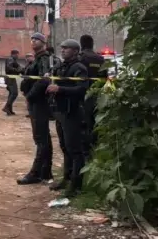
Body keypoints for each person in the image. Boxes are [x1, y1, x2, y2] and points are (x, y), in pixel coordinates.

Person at [46, 39, 90, 197]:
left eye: (66, 48)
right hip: (61, 112)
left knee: (75, 150)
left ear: (75, 51)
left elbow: (82, 88)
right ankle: (66, 178)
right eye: (62, 48)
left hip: (73, 112)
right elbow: (55, 77)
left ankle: (76, 185)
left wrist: (60, 88)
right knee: (65, 147)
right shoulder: (62, 66)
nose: (63, 50)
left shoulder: (79, 67)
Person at [17, 33, 53, 185]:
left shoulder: (44, 59)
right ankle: (45, 171)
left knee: (40, 138)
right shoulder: (37, 58)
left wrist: (30, 95)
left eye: (36, 39)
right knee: (43, 137)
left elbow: (44, 79)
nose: (33, 41)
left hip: (39, 102)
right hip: (34, 102)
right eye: (32, 39)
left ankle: (36, 173)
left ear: (43, 43)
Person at [79, 35, 106, 158]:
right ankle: (95, 147)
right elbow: (104, 77)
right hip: (98, 94)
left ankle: (86, 151)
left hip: (83, 95)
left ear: (81, 44)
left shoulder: (80, 58)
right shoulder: (100, 59)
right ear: (92, 44)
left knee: (84, 123)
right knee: (95, 122)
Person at [3, 49, 22, 116]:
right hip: (10, 78)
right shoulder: (10, 59)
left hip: (11, 78)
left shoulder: (13, 60)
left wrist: (20, 69)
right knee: (14, 93)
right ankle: (6, 107)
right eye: (17, 54)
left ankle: (9, 110)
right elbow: (9, 68)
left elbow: (19, 67)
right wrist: (17, 70)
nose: (18, 56)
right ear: (14, 54)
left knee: (11, 94)